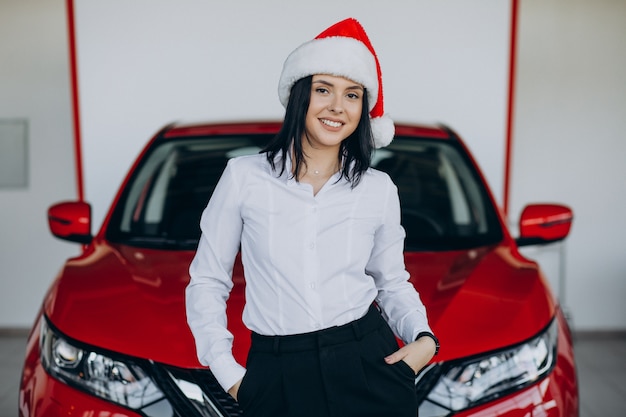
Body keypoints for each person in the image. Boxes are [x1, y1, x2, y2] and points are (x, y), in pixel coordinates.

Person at [186, 17, 438, 417]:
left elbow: (391, 281)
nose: (337, 107)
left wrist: (424, 339)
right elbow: (207, 280)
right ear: (300, 94)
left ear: (363, 108)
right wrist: (229, 373)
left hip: (368, 364)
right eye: (324, 90)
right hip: (278, 372)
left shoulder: (378, 189)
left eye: (352, 95)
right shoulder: (243, 178)